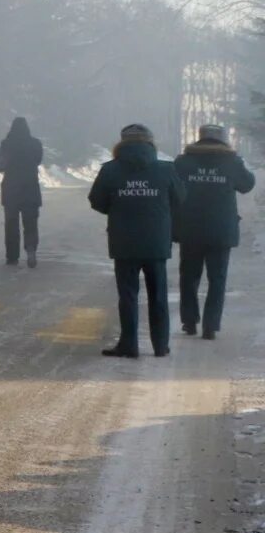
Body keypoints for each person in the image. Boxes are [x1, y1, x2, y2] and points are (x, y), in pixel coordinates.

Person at [87, 123, 186, 359]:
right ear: (150, 143)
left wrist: (118, 208)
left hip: (124, 242)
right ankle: (160, 345)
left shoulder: (110, 170)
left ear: (121, 143)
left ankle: (129, 345)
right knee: (158, 294)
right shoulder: (166, 170)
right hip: (156, 242)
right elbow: (180, 197)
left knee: (128, 295)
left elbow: (96, 200)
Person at [173, 124, 255, 341]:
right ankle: (210, 326)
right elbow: (247, 185)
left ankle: (189, 321)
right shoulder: (232, 162)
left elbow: (171, 189)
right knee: (217, 279)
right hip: (221, 230)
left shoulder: (183, 162)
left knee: (189, 276)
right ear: (223, 140)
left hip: (190, 228)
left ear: (200, 138)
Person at [0, 117, 46, 267]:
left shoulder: (6, 144)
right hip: (30, 188)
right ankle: (31, 250)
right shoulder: (35, 144)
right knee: (30, 222)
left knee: (11, 224)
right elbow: (38, 160)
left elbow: (0, 166)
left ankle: (12, 256)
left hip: (11, 189)